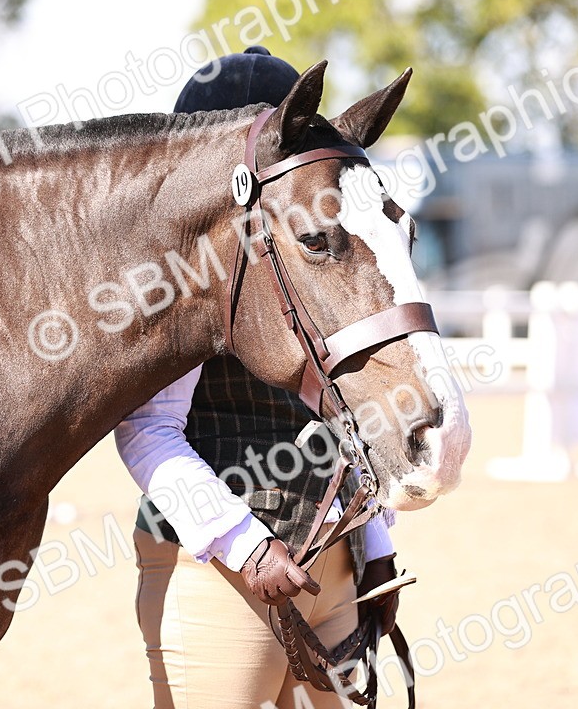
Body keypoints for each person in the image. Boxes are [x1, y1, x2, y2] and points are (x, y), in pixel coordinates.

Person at [115, 46, 401, 709]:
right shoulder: (172, 282)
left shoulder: (305, 256)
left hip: (339, 559)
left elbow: (341, 414)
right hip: (220, 573)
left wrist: (376, 540)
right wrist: (245, 545)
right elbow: (147, 431)